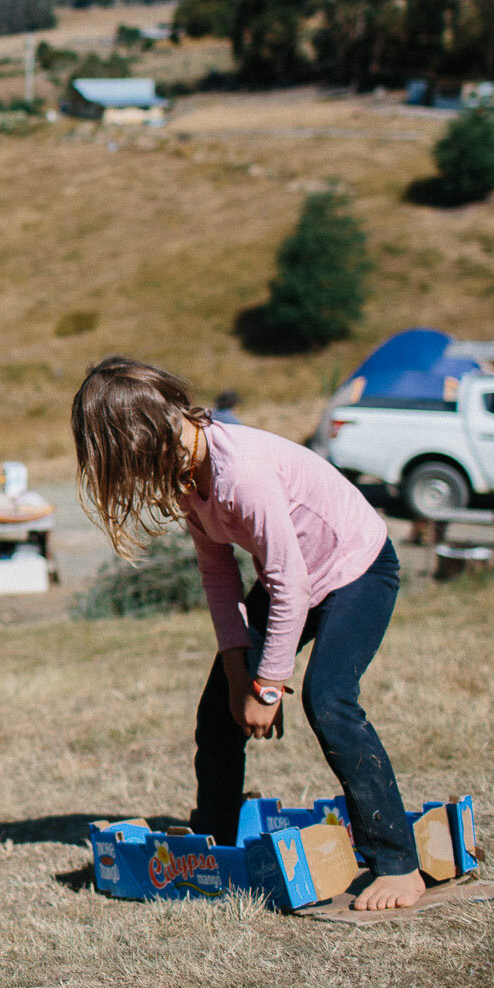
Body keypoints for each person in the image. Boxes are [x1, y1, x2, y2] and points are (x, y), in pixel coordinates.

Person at [70, 356, 424, 911]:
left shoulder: (242, 473)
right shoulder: (187, 475)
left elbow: (288, 582)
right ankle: (214, 840)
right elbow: (218, 577)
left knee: (328, 698)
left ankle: (398, 863)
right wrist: (239, 679)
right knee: (217, 709)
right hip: (297, 579)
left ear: (140, 437)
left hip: (356, 567)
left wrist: (267, 686)